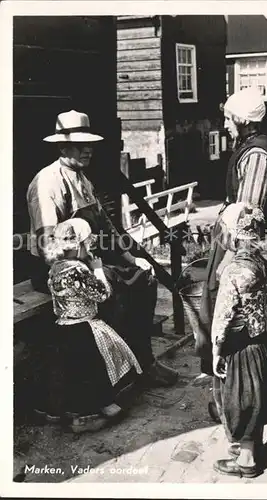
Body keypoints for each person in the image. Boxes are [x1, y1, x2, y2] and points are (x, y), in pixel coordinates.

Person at [27, 110, 178, 390]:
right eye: (81, 145)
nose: (88, 150)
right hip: (60, 269)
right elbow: (49, 248)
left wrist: (132, 258)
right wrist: (90, 266)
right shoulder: (47, 183)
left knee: (143, 277)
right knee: (115, 287)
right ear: (63, 147)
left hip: (87, 259)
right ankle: (116, 378)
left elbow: (107, 228)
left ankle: (143, 362)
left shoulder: (83, 179)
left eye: (90, 144)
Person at [197, 87, 267, 399]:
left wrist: (232, 256)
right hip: (235, 238)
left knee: (244, 313)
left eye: (229, 119)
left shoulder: (257, 155)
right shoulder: (248, 147)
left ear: (244, 121)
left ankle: (249, 389)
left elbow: (248, 214)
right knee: (224, 308)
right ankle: (230, 384)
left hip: (249, 246)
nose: (226, 125)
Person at [43, 218, 143, 433]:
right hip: (83, 329)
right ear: (78, 244)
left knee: (73, 372)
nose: (91, 245)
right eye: (88, 242)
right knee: (93, 370)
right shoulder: (77, 271)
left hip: (63, 327)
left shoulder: (55, 268)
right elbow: (102, 294)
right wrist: (97, 269)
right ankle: (93, 415)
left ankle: (74, 413)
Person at [211, 203, 267, 478]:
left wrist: (216, 349)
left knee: (240, 399)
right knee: (258, 396)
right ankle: (254, 447)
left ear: (233, 234)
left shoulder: (234, 271)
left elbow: (223, 316)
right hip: (262, 342)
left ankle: (247, 461)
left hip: (241, 348)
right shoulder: (265, 263)